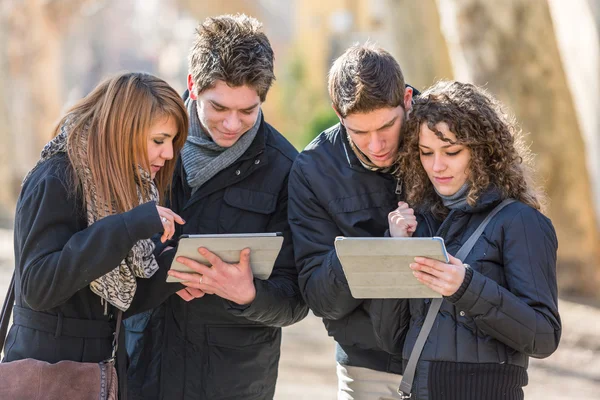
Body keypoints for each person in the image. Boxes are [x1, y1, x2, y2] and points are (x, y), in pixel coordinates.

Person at [124, 14, 308, 400]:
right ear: (192, 86)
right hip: (143, 366)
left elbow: (296, 298)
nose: (232, 124)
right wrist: (159, 274)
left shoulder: (286, 168)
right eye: (219, 107)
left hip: (232, 381)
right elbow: (107, 244)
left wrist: (250, 295)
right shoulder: (144, 147)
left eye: (248, 111)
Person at [372, 81, 561, 400]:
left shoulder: (521, 222)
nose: (437, 166)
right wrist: (395, 251)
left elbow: (544, 336)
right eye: (426, 152)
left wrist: (466, 287)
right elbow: (390, 339)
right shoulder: (421, 221)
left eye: (452, 152)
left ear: (483, 150)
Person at [1, 72, 188, 371]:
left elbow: (108, 303)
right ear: (123, 131)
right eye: (159, 140)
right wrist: (128, 226)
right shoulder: (56, 177)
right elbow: (38, 288)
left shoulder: (125, 188)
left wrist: (177, 270)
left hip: (98, 373)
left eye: (172, 142)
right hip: (45, 377)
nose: (168, 153)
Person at [288, 43, 415, 399]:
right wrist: (380, 249)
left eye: (387, 127)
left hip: (455, 357)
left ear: (407, 99)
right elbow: (320, 298)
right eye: (359, 132)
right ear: (338, 114)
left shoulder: (448, 135)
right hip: (366, 367)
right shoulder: (313, 170)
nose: (376, 145)